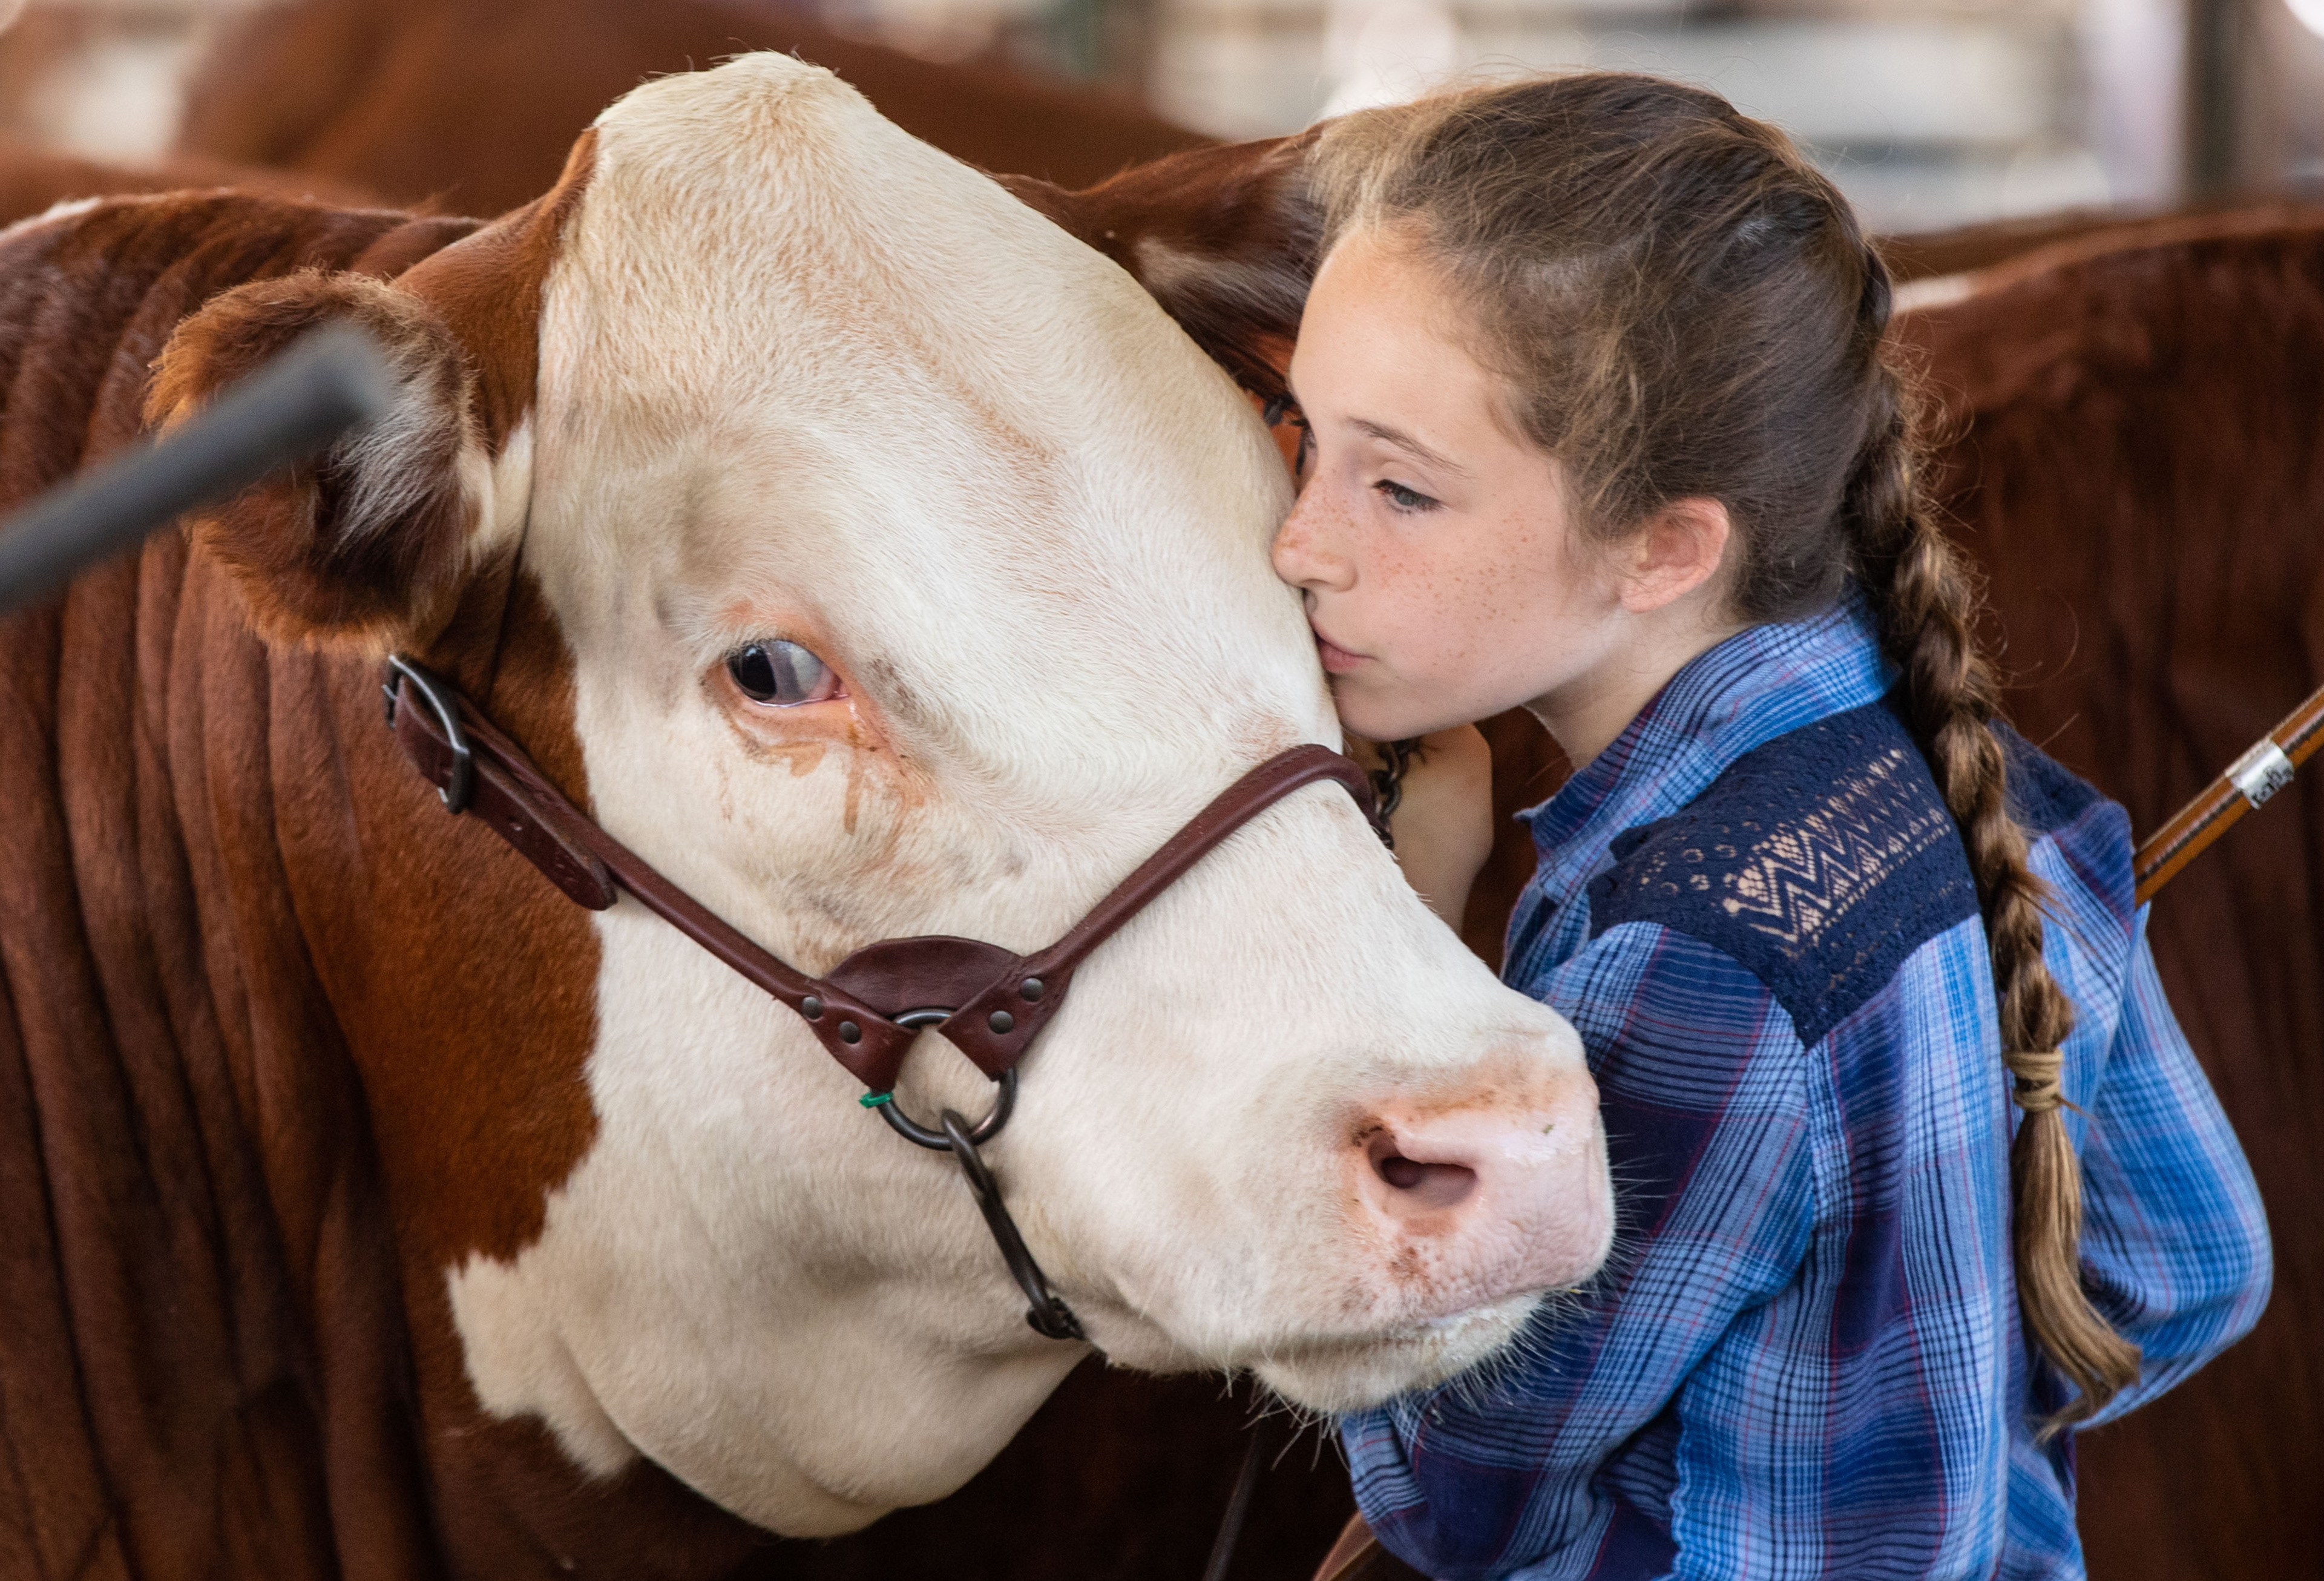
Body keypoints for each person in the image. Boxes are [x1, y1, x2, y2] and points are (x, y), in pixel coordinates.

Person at [1275, 73, 2273, 1580]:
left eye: (1398, 488)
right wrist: (1911, 1445)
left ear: (1664, 544)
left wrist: (1402, 937)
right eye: (1306, 441)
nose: (1301, 541)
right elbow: (2189, 1271)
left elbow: (1458, 1499)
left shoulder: (1688, 965)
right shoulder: (1989, 784)